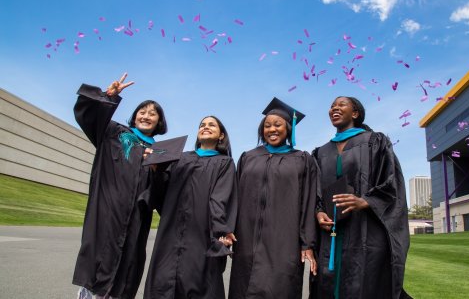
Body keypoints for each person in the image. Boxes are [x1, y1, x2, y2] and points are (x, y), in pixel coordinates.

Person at [73, 73, 168, 299]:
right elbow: (88, 118)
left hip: (137, 219)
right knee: (99, 261)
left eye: (152, 114)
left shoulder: (162, 152)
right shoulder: (113, 133)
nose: (146, 116)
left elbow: (163, 195)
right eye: (142, 111)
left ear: (159, 122)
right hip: (107, 212)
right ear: (134, 117)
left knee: (128, 264)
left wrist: (157, 171)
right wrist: (108, 96)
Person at [310, 96, 410, 299]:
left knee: (364, 284)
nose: (334, 108)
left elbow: (392, 184)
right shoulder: (320, 152)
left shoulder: (375, 141)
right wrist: (319, 211)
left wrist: (365, 201)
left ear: (355, 113)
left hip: (366, 230)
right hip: (330, 234)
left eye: (341, 105)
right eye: (331, 106)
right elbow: (314, 192)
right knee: (328, 285)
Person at [228, 97, 318, 299]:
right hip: (247, 239)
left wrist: (307, 243)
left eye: (278, 124)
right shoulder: (248, 157)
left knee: (280, 289)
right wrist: (228, 229)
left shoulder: (302, 159)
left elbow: (308, 201)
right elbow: (233, 196)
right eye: (267, 126)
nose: (272, 129)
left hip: (284, 242)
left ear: (288, 128)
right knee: (243, 289)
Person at [143, 115, 237, 299]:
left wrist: (221, 230)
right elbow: (161, 194)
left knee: (198, 281)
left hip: (201, 234)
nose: (205, 127)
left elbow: (221, 198)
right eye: (202, 125)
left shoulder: (224, 163)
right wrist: (157, 170)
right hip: (170, 233)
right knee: (163, 281)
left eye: (212, 125)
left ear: (221, 136)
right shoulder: (179, 159)